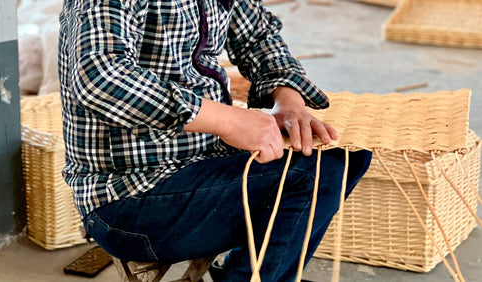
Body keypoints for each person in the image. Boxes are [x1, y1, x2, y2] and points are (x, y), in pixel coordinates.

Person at [58, 0, 372, 281]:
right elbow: (99, 77)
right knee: (315, 175)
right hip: (129, 199)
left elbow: (259, 37)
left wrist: (289, 100)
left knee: (346, 155)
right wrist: (230, 121)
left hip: (200, 166)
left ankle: (247, 275)